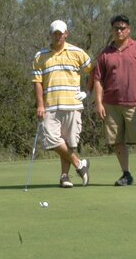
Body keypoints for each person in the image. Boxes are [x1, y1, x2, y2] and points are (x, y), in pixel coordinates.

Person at [93, 15, 136, 186]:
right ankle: (126, 174)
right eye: (116, 28)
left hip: (135, 103)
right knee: (117, 140)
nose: (119, 31)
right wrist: (98, 103)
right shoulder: (105, 54)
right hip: (111, 104)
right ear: (112, 30)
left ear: (129, 29)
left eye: (122, 28)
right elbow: (97, 79)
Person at [32, 20, 92, 188]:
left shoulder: (77, 52)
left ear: (66, 34)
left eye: (60, 33)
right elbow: (37, 82)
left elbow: (93, 71)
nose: (58, 36)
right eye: (54, 33)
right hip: (50, 105)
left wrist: (86, 92)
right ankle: (80, 165)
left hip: (72, 104)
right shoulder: (40, 56)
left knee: (69, 142)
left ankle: (64, 176)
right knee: (52, 139)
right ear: (50, 35)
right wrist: (40, 104)